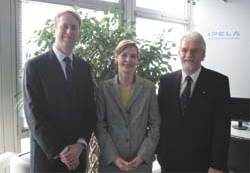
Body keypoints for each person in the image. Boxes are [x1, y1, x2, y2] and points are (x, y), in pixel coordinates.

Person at [23, 10, 96, 172]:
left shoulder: (84, 67)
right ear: (53, 29)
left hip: (78, 158)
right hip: (48, 159)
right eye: (65, 26)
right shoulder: (35, 67)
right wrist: (63, 152)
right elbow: (34, 115)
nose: (69, 31)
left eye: (74, 27)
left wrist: (80, 144)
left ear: (79, 32)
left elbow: (90, 110)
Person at [157, 31, 231, 173]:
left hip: (203, 164)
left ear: (203, 55)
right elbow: (161, 121)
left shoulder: (219, 82)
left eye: (194, 51)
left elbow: (222, 128)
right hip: (170, 162)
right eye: (184, 50)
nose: (189, 55)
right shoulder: (166, 81)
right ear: (179, 53)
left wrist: (217, 165)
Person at [96, 40, 161, 172]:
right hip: (111, 164)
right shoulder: (104, 88)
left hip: (140, 165)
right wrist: (114, 157)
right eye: (124, 55)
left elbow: (155, 125)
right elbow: (99, 125)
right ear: (116, 57)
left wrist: (142, 156)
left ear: (137, 60)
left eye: (133, 56)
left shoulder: (148, 88)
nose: (128, 60)